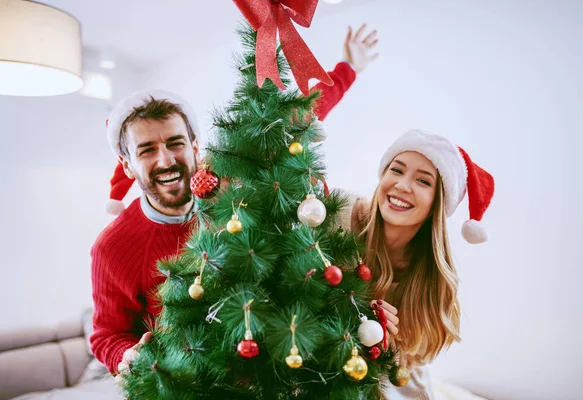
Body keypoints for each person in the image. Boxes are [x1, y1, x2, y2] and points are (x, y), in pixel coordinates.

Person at [90, 24, 380, 378]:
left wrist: (348, 68)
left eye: (175, 143)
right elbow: (107, 335)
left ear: (195, 147)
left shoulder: (231, 185)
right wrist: (126, 354)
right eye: (147, 150)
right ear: (127, 164)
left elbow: (293, 120)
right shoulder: (112, 248)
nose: (166, 160)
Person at [340, 129, 495, 399]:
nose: (402, 185)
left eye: (423, 181)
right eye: (396, 170)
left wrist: (385, 342)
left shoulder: (432, 281)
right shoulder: (340, 216)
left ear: (438, 202)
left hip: (382, 375)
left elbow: (410, 362)